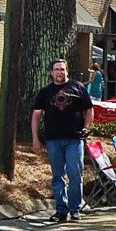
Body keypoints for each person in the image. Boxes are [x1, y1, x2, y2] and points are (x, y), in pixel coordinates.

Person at [31, 59, 94, 222]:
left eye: (63, 69)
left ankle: (75, 209)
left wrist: (86, 127)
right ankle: (61, 211)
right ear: (51, 72)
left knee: (75, 174)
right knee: (58, 176)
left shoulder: (78, 87)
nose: (60, 72)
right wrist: (35, 139)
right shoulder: (44, 92)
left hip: (74, 138)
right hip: (53, 140)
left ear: (67, 71)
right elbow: (36, 116)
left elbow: (89, 109)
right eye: (57, 69)